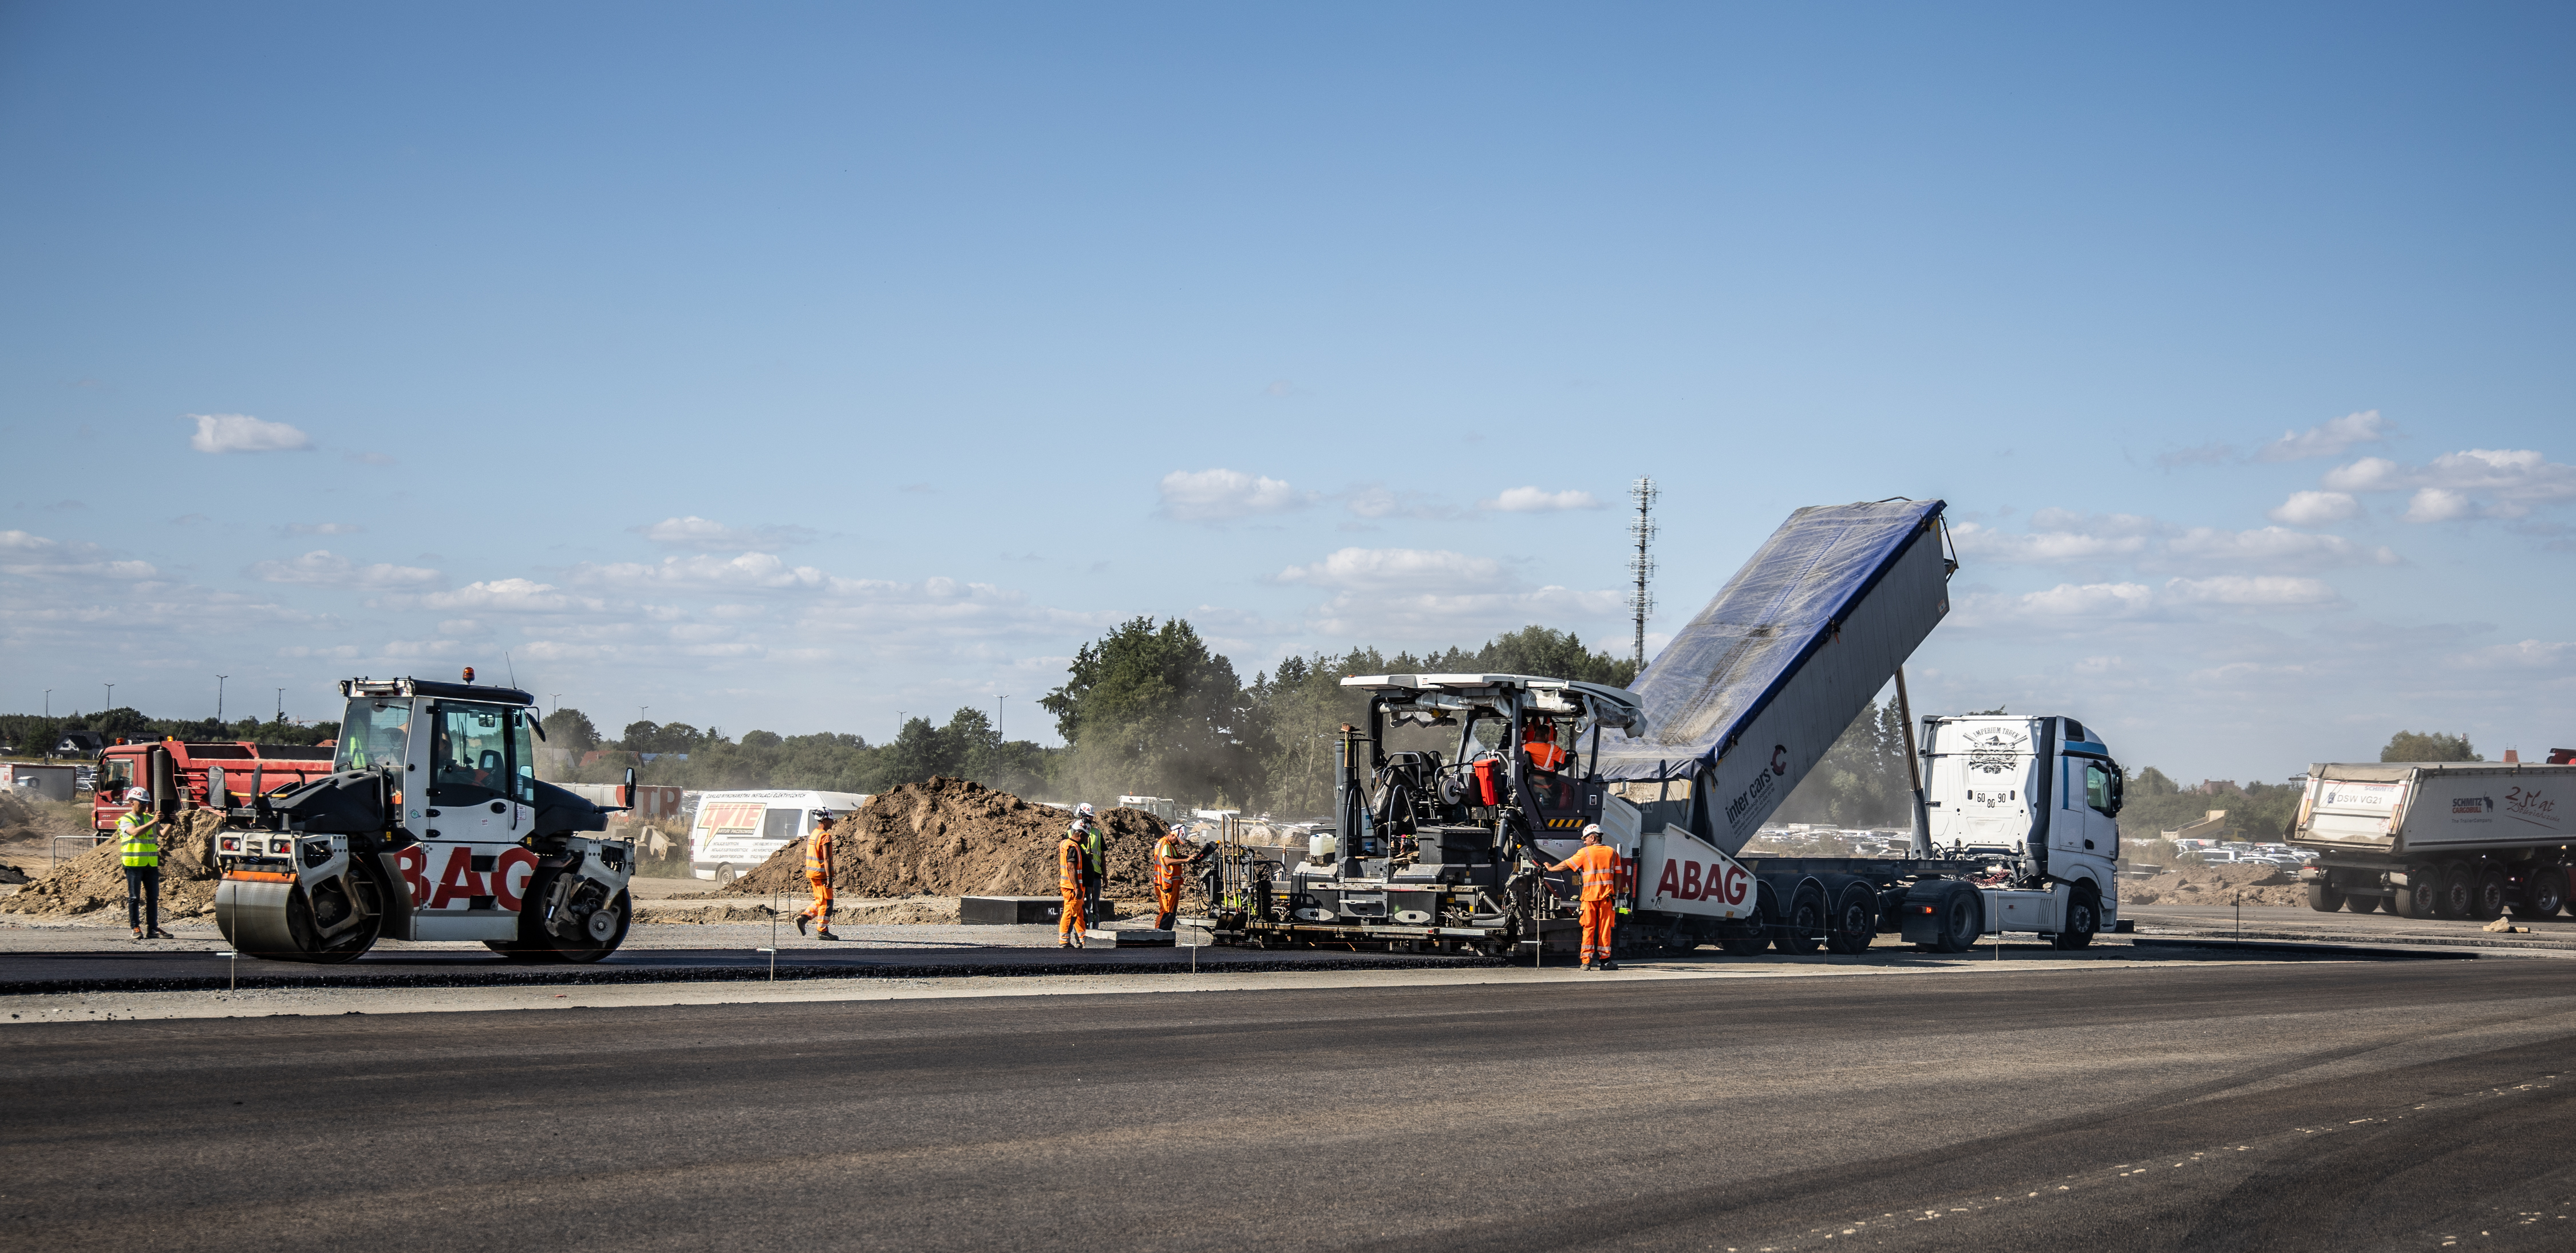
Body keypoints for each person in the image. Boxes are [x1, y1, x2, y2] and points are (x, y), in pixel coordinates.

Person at [1547, 823, 1621, 971]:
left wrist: (1551, 869)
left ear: (1593, 838)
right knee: (1605, 930)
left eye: (1585, 839)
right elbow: (1618, 876)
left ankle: (1586, 963)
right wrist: (1614, 894)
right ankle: (1605, 962)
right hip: (1607, 898)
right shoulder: (1613, 853)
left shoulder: (1585, 853)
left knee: (1588, 928)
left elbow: (1566, 865)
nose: (1584, 842)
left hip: (1589, 899)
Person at [118, 789, 172, 941]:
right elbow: (135, 833)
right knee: (134, 898)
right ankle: (135, 927)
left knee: (153, 898)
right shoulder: (126, 819)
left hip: (150, 864)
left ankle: (153, 928)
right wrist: (154, 821)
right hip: (134, 864)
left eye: (146, 803)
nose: (144, 805)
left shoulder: (149, 818)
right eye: (141, 802)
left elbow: (163, 834)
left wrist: (172, 822)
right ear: (132, 802)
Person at [795, 809, 841, 940]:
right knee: (827, 904)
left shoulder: (814, 834)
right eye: (831, 821)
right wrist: (829, 877)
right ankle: (822, 931)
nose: (833, 823)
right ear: (825, 821)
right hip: (821, 874)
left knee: (820, 900)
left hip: (813, 872)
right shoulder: (825, 836)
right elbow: (827, 859)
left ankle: (803, 918)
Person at [1151, 828, 1195, 931]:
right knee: (1166, 911)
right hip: (1165, 884)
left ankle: (1165, 935)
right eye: (1178, 841)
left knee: (1171, 911)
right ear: (1174, 835)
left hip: (1170, 884)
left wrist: (1190, 857)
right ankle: (1159, 934)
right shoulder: (1165, 844)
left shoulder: (1171, 846)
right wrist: (1186, 860)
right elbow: (1168, 861)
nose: (1179, 844)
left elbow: (1177, 857)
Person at [1072, 802, 1106, 925]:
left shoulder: (1097, 833)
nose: (1091, 819)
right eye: (1089, 816)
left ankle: (1094, 931)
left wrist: (1105, 876)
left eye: (1092, 817)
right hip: (1079, 875)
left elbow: (1102, 855)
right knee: (1078, 905)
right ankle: (1080, 932)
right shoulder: (1073, 832)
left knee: (1093, 907)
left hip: (1095, 875)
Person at [1057, 822, 1089, 948]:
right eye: (1085, 837)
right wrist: (1077, 888)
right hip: (1072, 887)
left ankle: (1083, 939)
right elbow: (1071, 868)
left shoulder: (1065, 843)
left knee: (1078, 913)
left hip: (1069, 885)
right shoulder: (1073, 847)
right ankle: (1064, 941)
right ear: (1080, 835)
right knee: (1070, 913)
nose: (1086, 840)